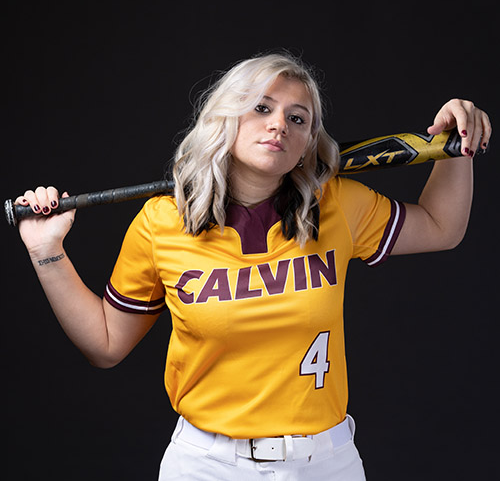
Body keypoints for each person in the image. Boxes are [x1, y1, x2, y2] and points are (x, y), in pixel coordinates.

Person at [15, 52, 491, 481]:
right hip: (207, 465)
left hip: (326, 463)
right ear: (225, 119)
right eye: (262, 108)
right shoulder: (162, 222)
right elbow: (105, 345)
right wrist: (46, 250)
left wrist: (457, 146)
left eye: (297, 118)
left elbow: (441, 227)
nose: (279, 124)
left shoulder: (338, 205)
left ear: (308, 144)